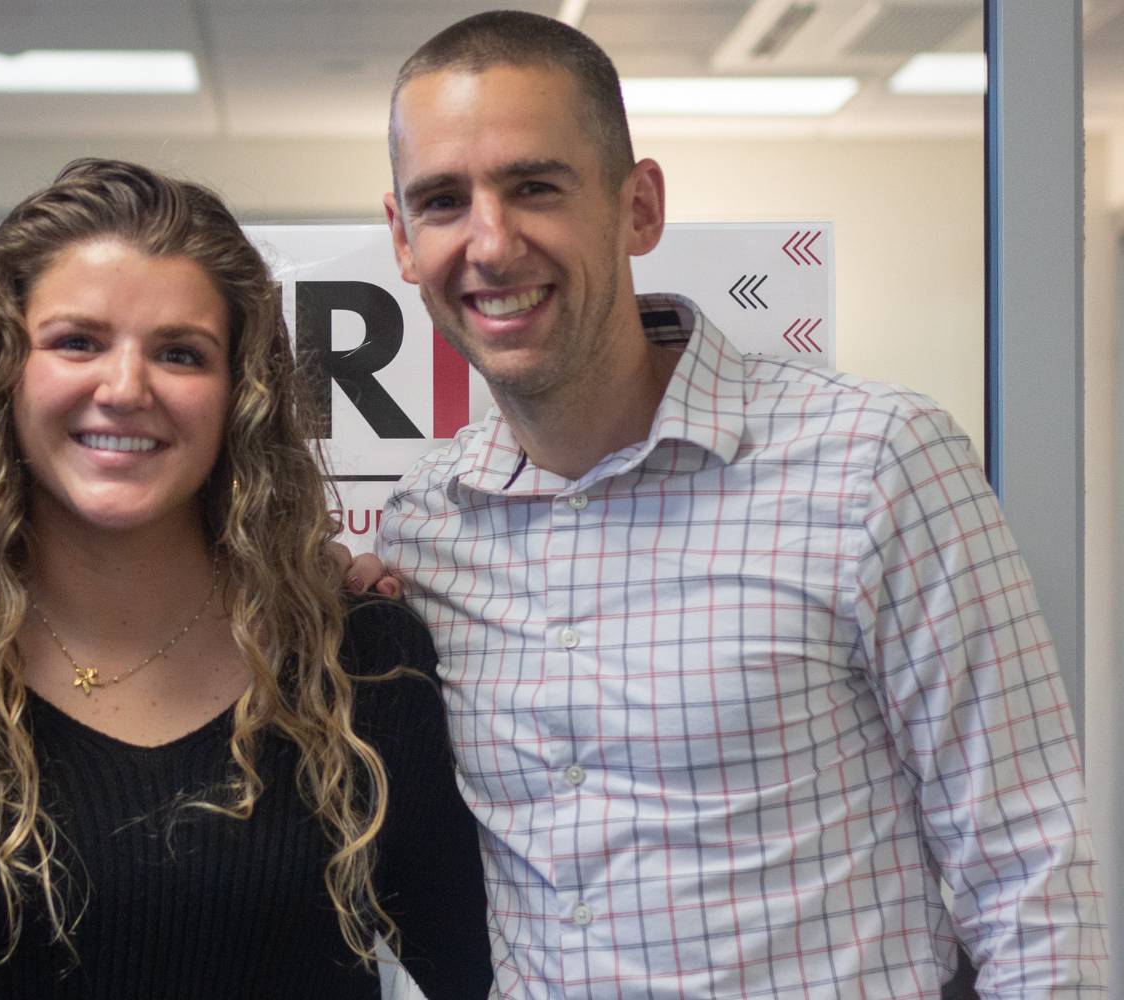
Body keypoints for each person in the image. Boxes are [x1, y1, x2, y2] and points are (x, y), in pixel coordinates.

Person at [375, 10, 1107, 997]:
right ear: (401, 240)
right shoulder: (427, 526)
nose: (490, 242)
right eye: (442, 202)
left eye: (534, 187)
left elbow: (1029, 876)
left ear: (636, 207)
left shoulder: (873, 461)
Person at [0, 158, 494, 998]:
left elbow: (488, 972)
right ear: (4, 372)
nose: (125, 388)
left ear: (239, 391)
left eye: (180, 352)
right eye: (77, 342)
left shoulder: (361, 667)